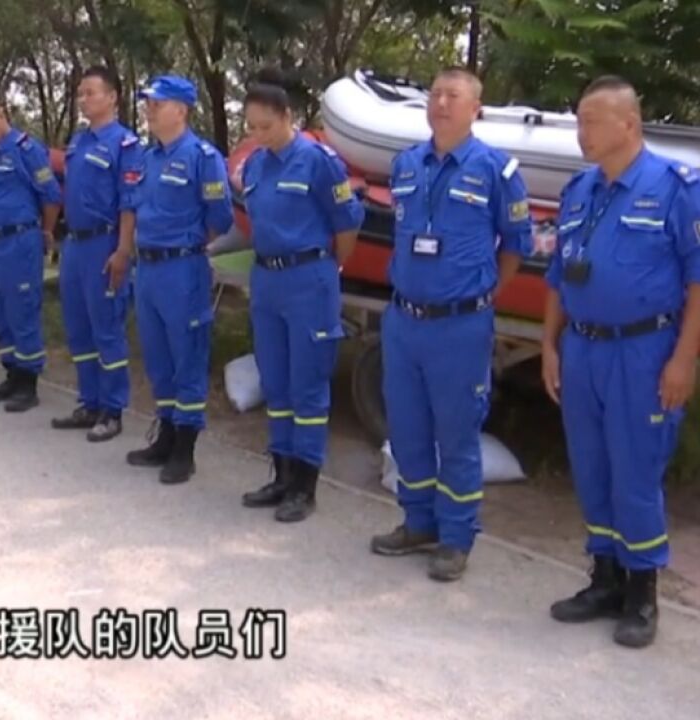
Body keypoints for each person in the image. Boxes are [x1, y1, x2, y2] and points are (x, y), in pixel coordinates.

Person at [542, 76, 699, 649]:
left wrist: (684, 361)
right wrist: (549, 346)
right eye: (578, 119)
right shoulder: (580, 190)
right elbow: (560, 274)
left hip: (643, 350)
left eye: (590, 119)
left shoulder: (678, 187)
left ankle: (641, 593)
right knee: (592, 467)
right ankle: (604, 578)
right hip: (582, 347)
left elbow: (698, 280)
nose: (580, 130)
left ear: (627, 124)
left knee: (635, 471)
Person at [369, 67, 531, 581]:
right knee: (408, 429)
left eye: (453, 95)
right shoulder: (406, 165)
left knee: (457, 433)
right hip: (404, 320)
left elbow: (516, 247)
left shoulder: (496, 171)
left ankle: (456, 537)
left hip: (460, 327)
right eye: (435, 94)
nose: (441, 102)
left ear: (475, 107)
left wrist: (480, 295)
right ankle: (418, 523)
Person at [236, 74, 363, 522]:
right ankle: (281, 473)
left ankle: (304, 487)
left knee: (308, 385)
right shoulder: (255, 165)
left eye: (265, 126)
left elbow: (347, 224)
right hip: (267, 281)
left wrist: (328, 270)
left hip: (310, 279)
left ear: (288, 117)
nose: (257, 135)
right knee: (276, 382)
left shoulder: (318, 161)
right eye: (251, 127)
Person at [124, 75, 234, 485]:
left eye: (156, 103)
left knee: (187, 354)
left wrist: (185, 245)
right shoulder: (147, 158)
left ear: (181, 110)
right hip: (147, 269)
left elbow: (219, 218)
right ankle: (165, 435)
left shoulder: (202, 157)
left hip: (181, 269)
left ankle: (185, 449)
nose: (149, 109)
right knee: (158, 357)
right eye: (147, 103)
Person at [51, 66, 141, 442]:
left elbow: (130, 204)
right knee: (78, 326)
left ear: (113, 97)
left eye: (91, 92)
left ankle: (112, 408)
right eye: (80, 93)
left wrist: (123, 249)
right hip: (75, 244)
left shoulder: (125, 144)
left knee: (107, 328)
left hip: (105, 245)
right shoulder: (78, 142)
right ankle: (88, 400)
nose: (83, 99)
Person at [0, 96, 62, 412]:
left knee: (22, 310)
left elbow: (50, 195)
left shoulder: (26, 149)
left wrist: (46, 231)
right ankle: (11, 372)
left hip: (19, 241)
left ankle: (28, 381)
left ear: (1, 115)